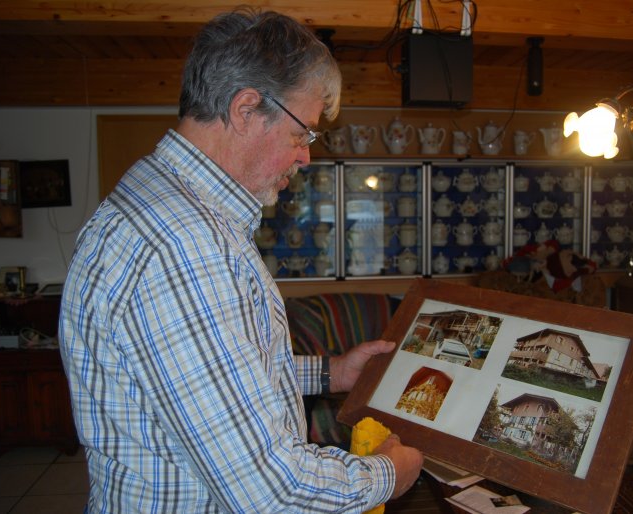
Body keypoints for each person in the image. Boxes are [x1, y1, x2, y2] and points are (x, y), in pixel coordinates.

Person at [59, 6, 423, 513]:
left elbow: (207, 380)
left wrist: (332, 372)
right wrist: (388, 475)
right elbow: (270, 492)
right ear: (246, 108)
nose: (306, 156)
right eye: (302, 134)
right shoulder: (183, 246)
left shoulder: (168, 208)